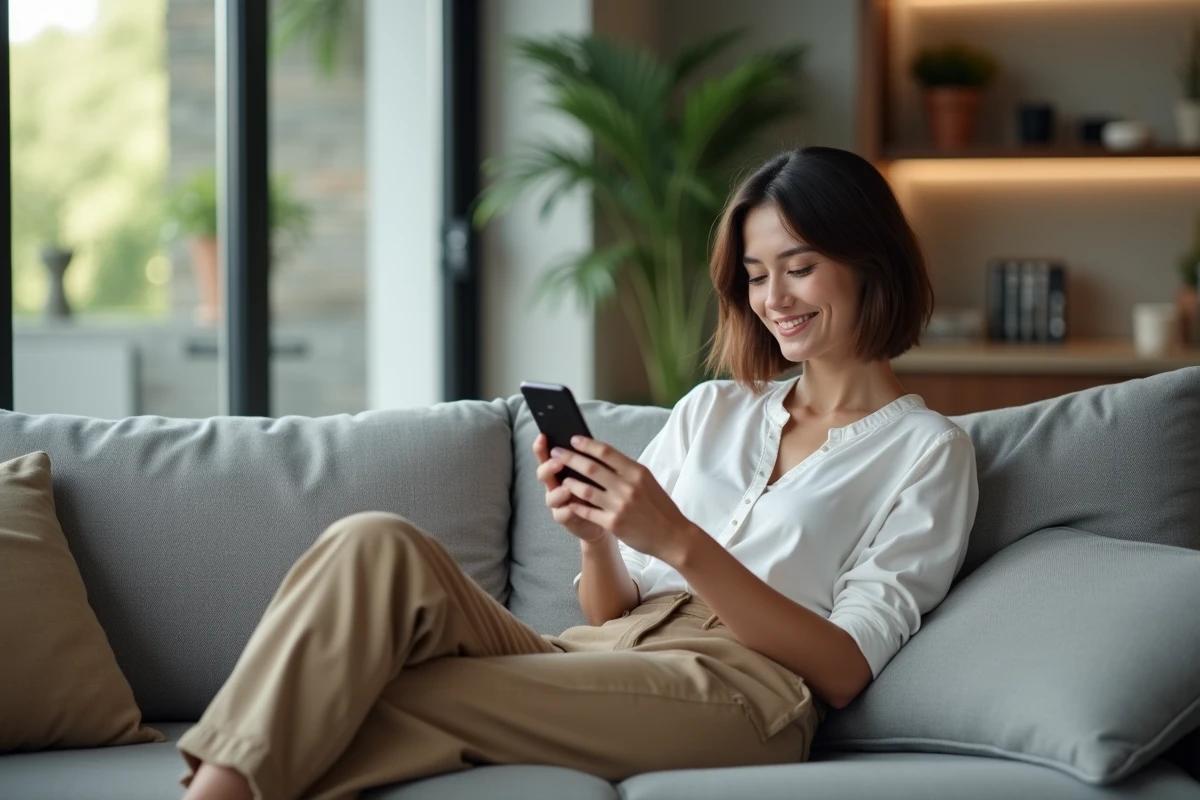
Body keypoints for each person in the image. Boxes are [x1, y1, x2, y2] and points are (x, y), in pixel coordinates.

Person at [179, 146, 979, 800]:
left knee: (385, 694)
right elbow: (611, 603)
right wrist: (598, 541)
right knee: (372, 542)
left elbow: (843, 669)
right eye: (756, 274)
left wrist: (680, 539)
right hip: (597, 652)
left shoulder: (927, 453)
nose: (773, 298)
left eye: (798, 267)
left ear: (868, 263)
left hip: (738, 694)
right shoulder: (714, 410)